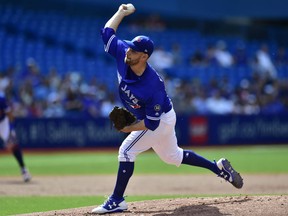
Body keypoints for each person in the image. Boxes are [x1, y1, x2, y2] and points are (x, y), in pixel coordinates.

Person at [92, 4, 243, 214]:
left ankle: (117, 200)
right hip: (160, 115)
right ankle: (217, 167)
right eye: (129, 47)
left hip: (159, 120)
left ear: (144, 57)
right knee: (173, 157)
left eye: (134, 50)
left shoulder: (152, 85)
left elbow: (151, 124)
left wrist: (127, 128)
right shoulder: (123, 53)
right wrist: (121, 12)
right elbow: (107, 32)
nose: (128, 51)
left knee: (126, 151)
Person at [0, 94, 31, 182]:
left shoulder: (1, 98)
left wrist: (10, 130)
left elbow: (10, 115)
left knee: (13, 145)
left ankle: (23, 169)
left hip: (2, 123)